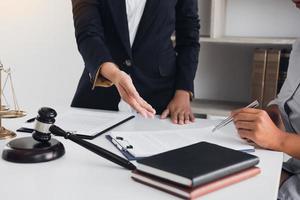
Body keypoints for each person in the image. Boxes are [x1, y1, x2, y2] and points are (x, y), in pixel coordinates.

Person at [70, 0, 200, 125]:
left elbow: (189, 35)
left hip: (161, 98)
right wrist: (115, 75)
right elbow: (87, 33)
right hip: (100, 95)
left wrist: (183, 91)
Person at [232, 11, 300, 200]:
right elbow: (285, 101)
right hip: (288, 173)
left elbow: (280, 139)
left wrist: (278, 139)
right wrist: (271, 115)